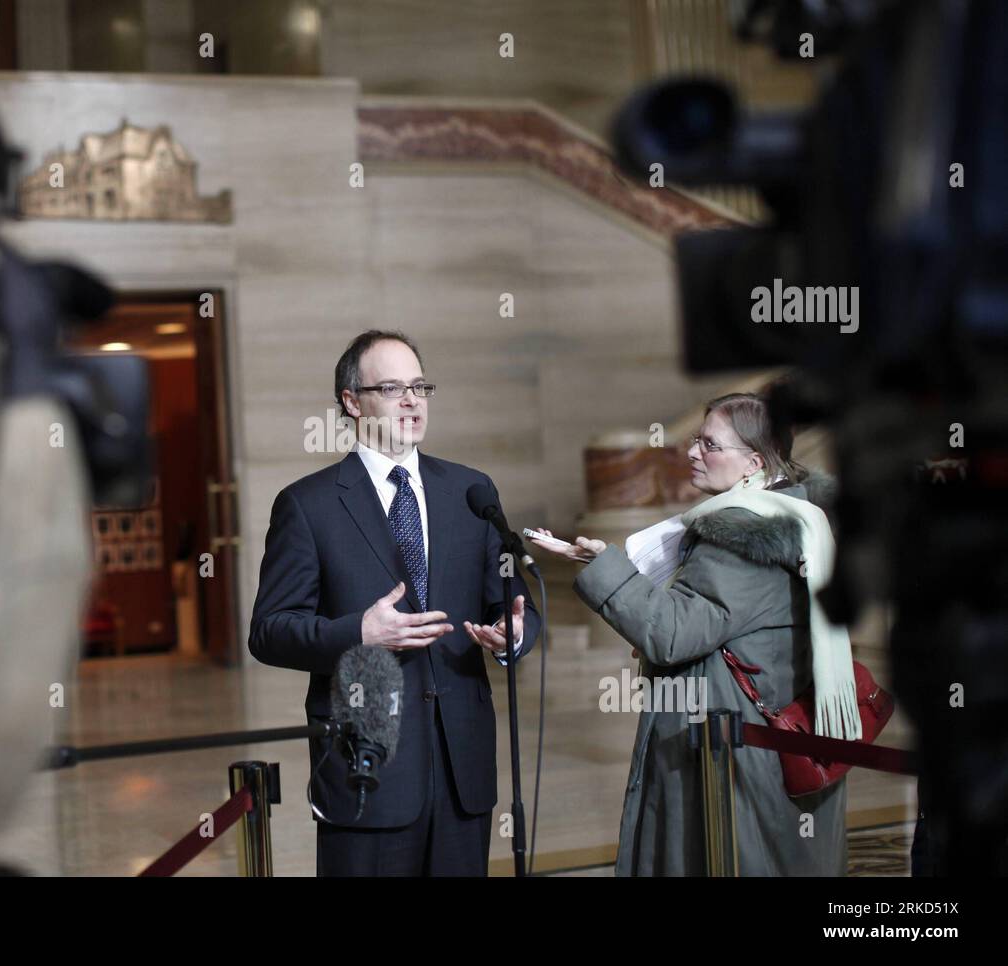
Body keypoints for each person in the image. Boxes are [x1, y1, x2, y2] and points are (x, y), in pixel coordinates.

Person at [249, 329, 541, 876]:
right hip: (368, 770)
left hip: (463, 771)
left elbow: (514, 602)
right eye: (392, 388)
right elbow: (269, 631)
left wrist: (513, 632)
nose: (412, 401)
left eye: (420, 386)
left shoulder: (471, 491)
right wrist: (359, 633)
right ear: (352, 402)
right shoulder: (307, 505)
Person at [532, 392, 851, 875]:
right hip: (762, 747)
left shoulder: (744, 536)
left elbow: (674, 632)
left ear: (754, 462)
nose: (692, 453)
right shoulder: (791, 513)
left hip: (732, 761)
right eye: (695, 440)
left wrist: (606, 571)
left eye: (710, 444)